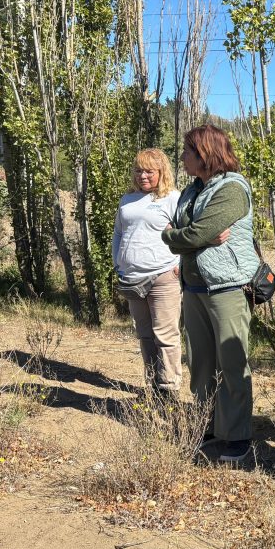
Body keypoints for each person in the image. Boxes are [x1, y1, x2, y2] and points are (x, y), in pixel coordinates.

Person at [161, 125, 258, 463]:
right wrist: (185, 236)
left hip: (226, 288)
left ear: (205, 153)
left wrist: (185, 236)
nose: (183, 157)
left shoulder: (232, 188)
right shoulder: (191, 191)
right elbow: (174, 233)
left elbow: (196, 231)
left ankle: (238, 437)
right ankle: (210, 426)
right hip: (194, 287)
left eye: (188, 151)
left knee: (232, 364)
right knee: (201, 363)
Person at [112, 148, 183, 400]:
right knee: (145, 334)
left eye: (149, 171)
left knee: (165, 335)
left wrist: (180, 264)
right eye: (138, 170)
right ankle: (153, 385)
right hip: (131, 278)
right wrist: (117, 262)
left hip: (163, 276)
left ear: (161, 172)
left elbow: (185, 234)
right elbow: (119, 233)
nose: (143, 176)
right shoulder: (127, 200)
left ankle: (169, 389)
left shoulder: (173, 198)